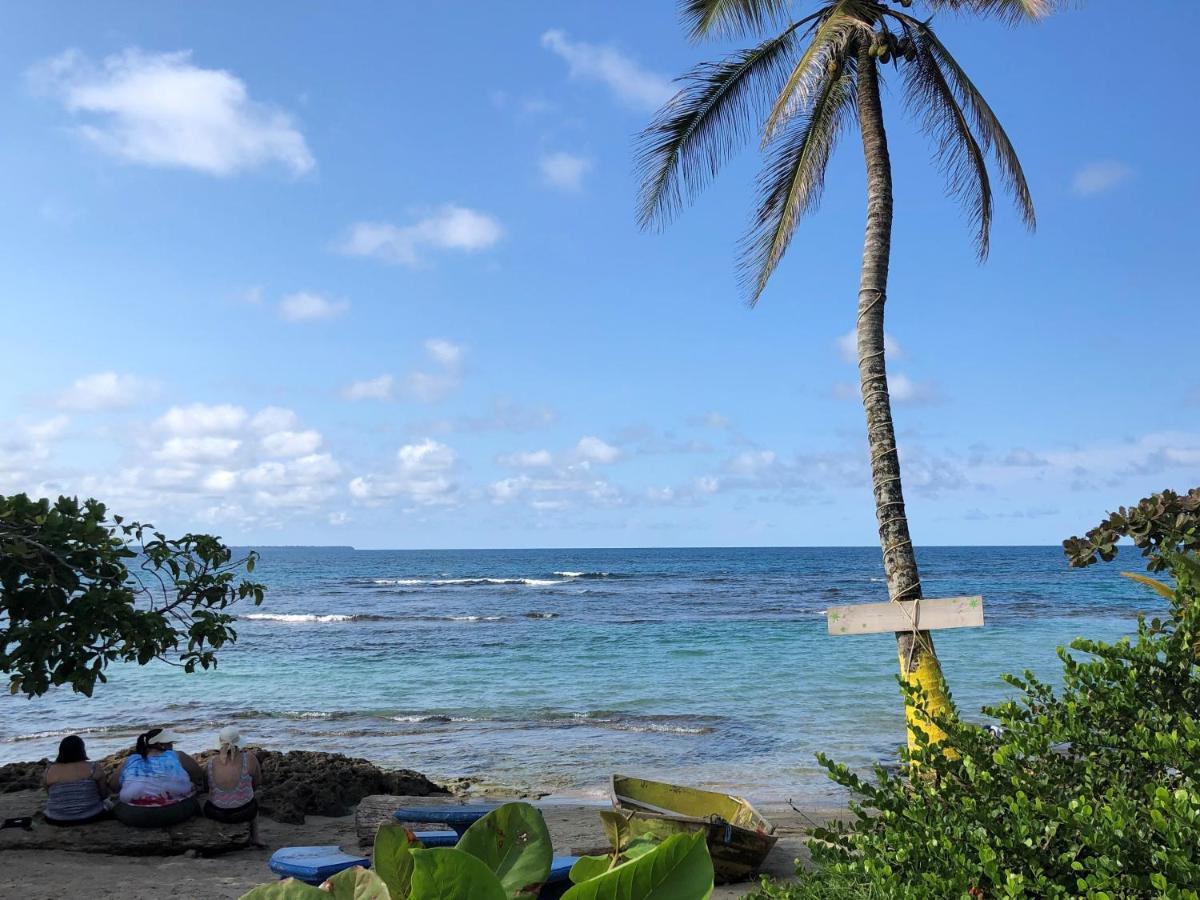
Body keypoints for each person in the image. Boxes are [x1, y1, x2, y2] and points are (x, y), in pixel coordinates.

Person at [109, 727, 203, 827]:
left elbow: (113, 785)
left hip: (133, 815)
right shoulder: (177, 755)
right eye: (170, 743)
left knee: (114, 802)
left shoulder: (131, 760)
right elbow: (198, 774)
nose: (172, 746)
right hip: (176, 812)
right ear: (161, 745)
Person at [203, 725, 262, 843]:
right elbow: (257, 783)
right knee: (254, 800)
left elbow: (206, 788)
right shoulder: (249, 759)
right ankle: (255, 837)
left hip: (217, 813)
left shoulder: (210, 764)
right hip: (245, 812)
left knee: (205, 802)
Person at [43, 735, 109, 826]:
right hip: (91, 816)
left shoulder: (49, 770)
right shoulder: (93, 767)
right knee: (109, 803)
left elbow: (49, 794)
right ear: (82, 750)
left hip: (56, 819)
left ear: (61, 751)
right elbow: (103, 794)